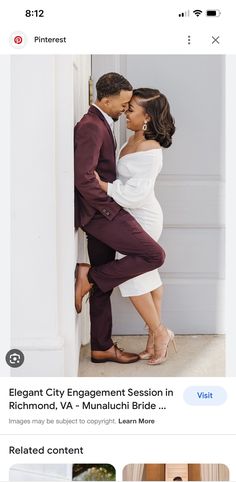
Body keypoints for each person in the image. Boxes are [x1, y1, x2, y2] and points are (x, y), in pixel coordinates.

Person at [74, 73, 166, 364]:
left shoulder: (111, 127)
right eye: (124, 104)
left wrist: (107, 193)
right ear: (106, 99)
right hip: (108, 212)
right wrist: (107, 205)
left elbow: (115, 182)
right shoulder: (94, 125)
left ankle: (153, 334)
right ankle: (105, 344)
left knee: (145, 268)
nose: (125, 110)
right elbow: (85, 176)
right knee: (146, 268)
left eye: (131, 107)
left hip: (127, 211)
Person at [95, 88, 176, 365]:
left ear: (147, 118)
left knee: (132, 276)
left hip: (143, 217)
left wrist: (103, 186)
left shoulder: (150, 150)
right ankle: (155, 339)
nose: (125, 112)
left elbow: (136, 194)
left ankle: (160, 332)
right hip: (132, 216)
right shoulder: (131, 139)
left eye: (131, 109)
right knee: (148, 276)